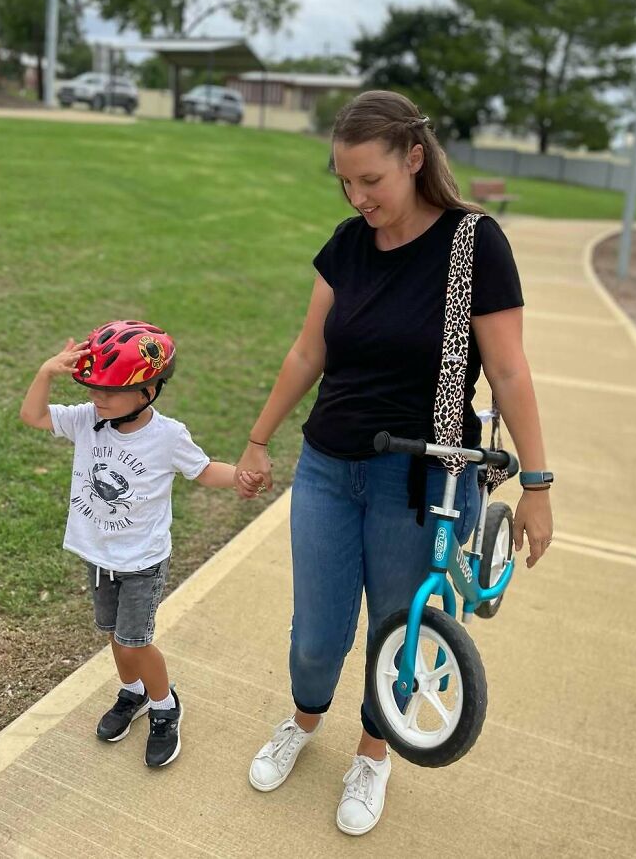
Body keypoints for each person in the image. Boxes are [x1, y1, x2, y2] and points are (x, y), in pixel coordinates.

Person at [234, 90, 553, 836]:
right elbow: (308, 349)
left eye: (370, 179)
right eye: (345, 181)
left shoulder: (475, 243)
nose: (358, 195)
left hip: (421, 479)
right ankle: (303, 719)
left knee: (395, 630)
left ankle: (374, 751)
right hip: (326, 465)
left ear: (414, 158)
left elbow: (509, 372)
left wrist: (536, 484)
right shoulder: (348, 242)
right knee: (316, 631)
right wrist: (257, 438)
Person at [20, 320, 263, 768]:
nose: (97, 396)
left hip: (142, 561)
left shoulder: (166, 436)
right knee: (114, 634)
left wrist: (240, 480)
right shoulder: (88, 419)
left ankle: (165, 704)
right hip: (98, 557)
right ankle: (132, 692)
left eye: (109, 390)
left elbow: (203, 469)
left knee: (134, 641)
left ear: (148, 390)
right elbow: (33, 416)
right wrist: (45, 372)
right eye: (92, 386)